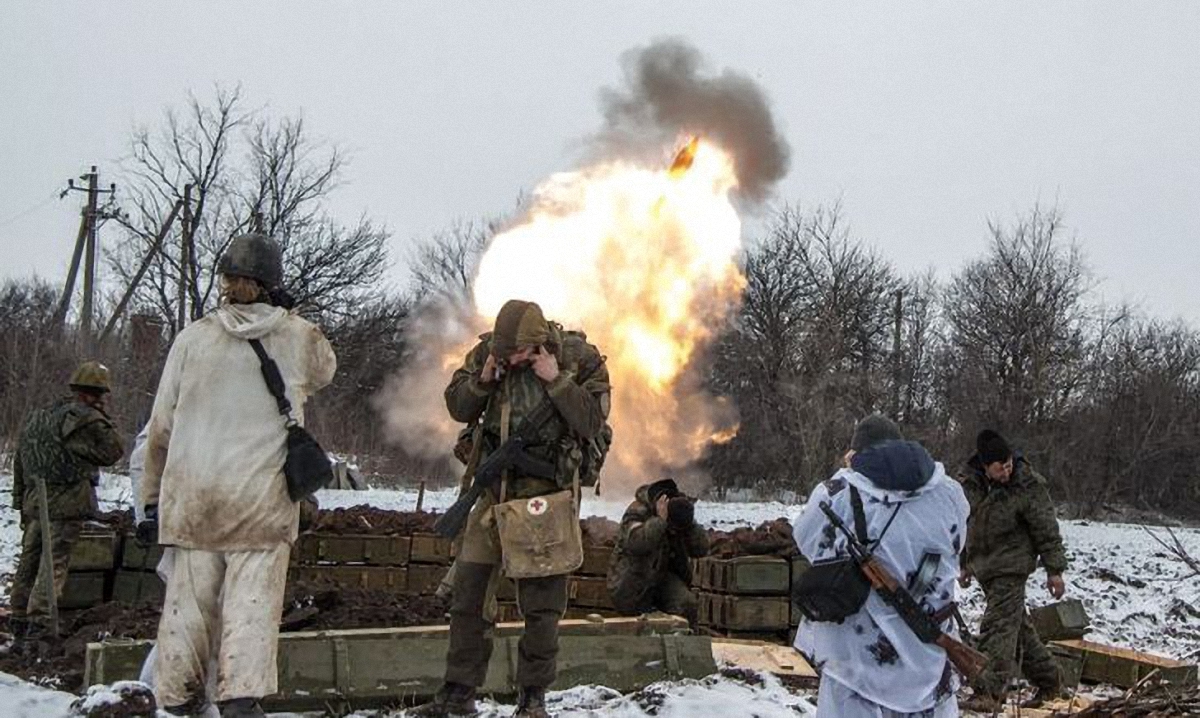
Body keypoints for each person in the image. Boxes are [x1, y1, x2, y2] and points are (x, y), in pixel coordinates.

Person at [138, 232, 336, 718]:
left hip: (193, 500)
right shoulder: (299, 336)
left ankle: (180, 699)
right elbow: (326, 370)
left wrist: (148, 500)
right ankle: (239, 702)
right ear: (273, 282)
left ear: (226, 280)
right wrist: (287, 315)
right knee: (251, 610)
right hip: (259, 505)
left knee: (187, 612)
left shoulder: (192, 338)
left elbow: (160, 428)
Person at [411, 299, 610, 718]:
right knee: (468, 598)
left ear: (539, 343)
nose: (509, 360)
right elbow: (458, 407)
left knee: (541, 609)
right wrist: (482, 381)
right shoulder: (487, 355)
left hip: (546, 502)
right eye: (504, 352)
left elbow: (592, 423)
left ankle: (532, 698)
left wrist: (556, 382)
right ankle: (458, 693)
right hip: (491, 498)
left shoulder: (579, 359)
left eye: (516, 353)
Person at [793, 415, 969, 718]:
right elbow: (956, 544)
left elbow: (808, 542)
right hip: (930, 652)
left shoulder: (838, 492)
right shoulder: (950, 492)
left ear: (856, 452)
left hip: (857, 658)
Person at [959, 429, 1067, 710]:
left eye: (1008, 464)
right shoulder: (970, 485)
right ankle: (1051, 682)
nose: (1006, 471)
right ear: (985, 467)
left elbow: (1046, 527)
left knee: (997, 627)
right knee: (1017, 631)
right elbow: (961, 524)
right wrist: (963, 563)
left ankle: (990, 691)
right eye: (1000, 467)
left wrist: (1054, 570)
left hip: (1012, 566)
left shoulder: (1027, 484)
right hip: (984, 565)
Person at [10, 362, 124, 626]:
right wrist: (103, 418)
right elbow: (114, 451)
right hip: (67, 504)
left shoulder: (41, 415)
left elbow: (20, 459)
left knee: (30, 559)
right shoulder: (87, 418)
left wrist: (20, 501)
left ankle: (18, 611)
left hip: (35, 501)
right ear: (97, 393)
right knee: (53, 564)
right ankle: (40, 622)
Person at [607, 478, 708, 626]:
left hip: (664, 578)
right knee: (640, 622)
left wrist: (689, 524)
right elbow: (637, 543)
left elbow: (701, 549)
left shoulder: (678, 512)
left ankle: (684, 645)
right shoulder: (637, 511)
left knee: (686, 605)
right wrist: (660, 520)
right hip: (633, 579)